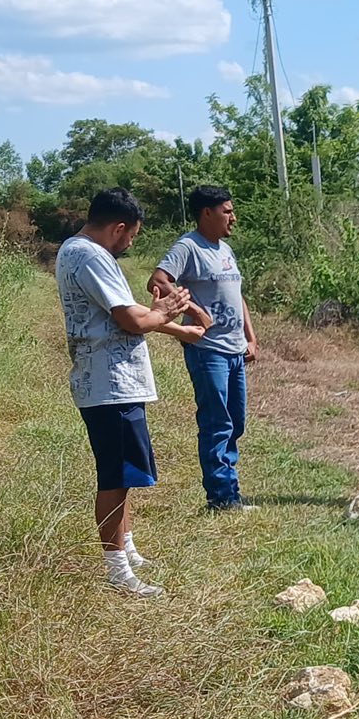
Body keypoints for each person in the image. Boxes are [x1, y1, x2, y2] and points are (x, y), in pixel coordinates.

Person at [55, 186, 210, 597]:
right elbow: (133, 320)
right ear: (119, 227)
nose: (130, 244)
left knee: (124, 475)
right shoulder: (91, 256)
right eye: (132, 236)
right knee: (115, 476)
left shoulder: (77, 251)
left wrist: (177, 329)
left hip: (109, 382)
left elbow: (132, 314)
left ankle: (126, 547)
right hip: (110, 384)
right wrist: (167, 311)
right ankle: (118, 571)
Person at [150, 185, 258, 514]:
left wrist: (250, 336)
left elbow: (236, 294)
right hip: (208, 350)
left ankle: (229, 490)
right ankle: (222, 498)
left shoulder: (225, 249)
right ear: (207, 213)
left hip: (235, 350)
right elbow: (158, 280)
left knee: (235, 422)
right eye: (227, 211)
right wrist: (195, 311)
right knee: (217, 422)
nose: (233, 217)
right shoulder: (189, 247)